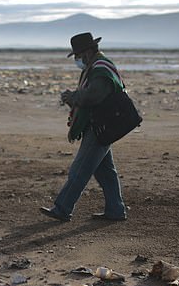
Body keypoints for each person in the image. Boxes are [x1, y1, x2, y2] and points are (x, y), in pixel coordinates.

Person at [41, 32, 128, 222]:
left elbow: (93, 97)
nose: (78, 59)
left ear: (88, 52)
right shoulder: (98, 66)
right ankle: (115, 210)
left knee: (80, 170)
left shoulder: (99, 69)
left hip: (99, 126)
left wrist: (72, 97)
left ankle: (62, 208)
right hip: (103, 125)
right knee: (105, 172)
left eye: (78, 55)